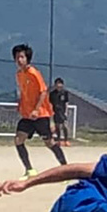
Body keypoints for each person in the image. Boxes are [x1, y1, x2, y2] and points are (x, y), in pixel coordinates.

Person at [12, 44, 67, 179]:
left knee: (49, 143)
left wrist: (36, 109)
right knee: (19, 139)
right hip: (27, 115)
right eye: (17, 57)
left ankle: (65, 168)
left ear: (27, 58)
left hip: (40, 115)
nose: (19, 60)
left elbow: (43, 91)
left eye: (22, 57)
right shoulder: (19, 74)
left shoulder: (33, 73)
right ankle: (29, 170)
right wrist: (20, 104)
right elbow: (24, 93)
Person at [49, 78, 70, 147]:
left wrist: (66, 111)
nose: (59, 85)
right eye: (57, 83)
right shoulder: (52, 94)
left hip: (62, 111)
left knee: (64, 126)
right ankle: (58, 140)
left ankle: (66, 140)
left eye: (60, 83)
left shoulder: (65, 93)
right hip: (55, 112)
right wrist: (51, 112)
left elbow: (66, 102)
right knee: (57, 126)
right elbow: (50, 104)